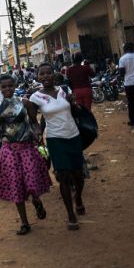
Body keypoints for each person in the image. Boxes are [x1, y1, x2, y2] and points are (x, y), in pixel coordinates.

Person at [0, 74, 51, 235]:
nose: (7, 89)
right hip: (9, 150)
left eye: (10, 86)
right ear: (0, 88)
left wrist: (39, 137)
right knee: (16, 186)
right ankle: (24, 223)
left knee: (31, 183)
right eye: (4, 87)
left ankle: (37, 201)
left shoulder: (25, 103)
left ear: (15, 86)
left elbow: (35, 123)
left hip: (27, 148)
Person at [30, 63, 86, 230]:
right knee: (63, 176)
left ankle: (79, 198)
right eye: (42, 74)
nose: (46, 76)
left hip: (73, 136)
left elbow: (75, 112)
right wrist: (38, 134)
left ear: (54, 75)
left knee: (78, 174)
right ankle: (71, 215)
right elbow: (33, 120)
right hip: (55, 139)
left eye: (48, 73)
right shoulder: (35, 98)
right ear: (37, 77)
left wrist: (74, 103)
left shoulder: (64, 90)